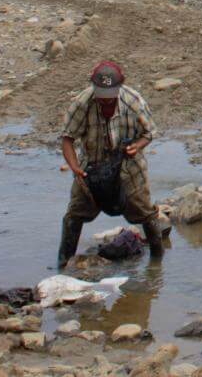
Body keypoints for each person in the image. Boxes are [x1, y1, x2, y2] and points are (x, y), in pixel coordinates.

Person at [58, 61, 162, 267]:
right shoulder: (82, 103)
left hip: (129, 168)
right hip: (91, 169)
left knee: (145, 212)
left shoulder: (133, 102)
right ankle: (63, 263)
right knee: (75, 214)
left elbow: (149, 133)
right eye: (101, 97)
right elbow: (67, 138)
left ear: (120, 87)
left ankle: (157, 263)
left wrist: (137, 146)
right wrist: (75, 167)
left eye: (110, 98)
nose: (106, 102)